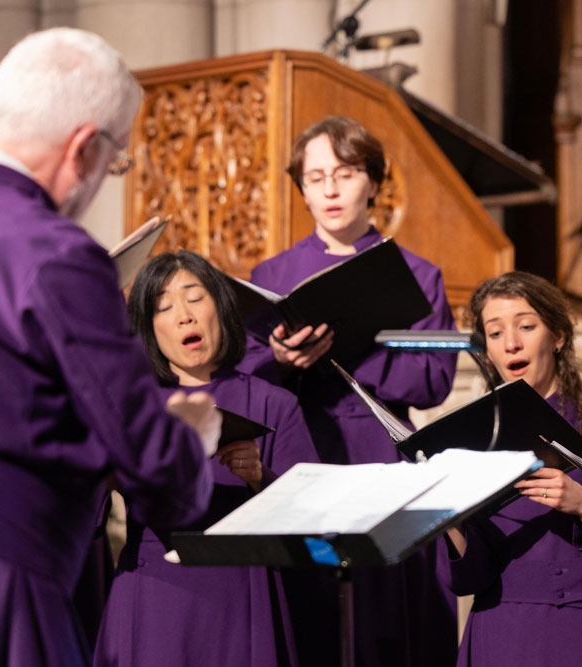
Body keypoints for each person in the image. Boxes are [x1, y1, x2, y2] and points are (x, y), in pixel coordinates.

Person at [0, 28, 221, 667]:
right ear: (84, 149)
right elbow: (156, 474)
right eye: (116, 162)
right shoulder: (53, 253)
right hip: (3, 602)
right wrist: (191, 438)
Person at [237, 115, 459, 666]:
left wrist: (351, 350)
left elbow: (434, 380)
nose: (331, 189)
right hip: (300, 455)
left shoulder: (417, 273)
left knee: (387, 621)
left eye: (345, 172)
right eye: (315, 177)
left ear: (374, 183)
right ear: (302, 190)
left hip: (383, 456)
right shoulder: (273, 272)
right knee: (311, 616)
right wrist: (283, 361)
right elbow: (242, 378)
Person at [94, 250, 320, 667]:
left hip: (242, 593)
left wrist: (260, 478)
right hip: (153, 589)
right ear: (151, 329)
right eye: (163, 306)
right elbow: (85, 509)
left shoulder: (275, 403)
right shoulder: (132, 404)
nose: (183, 315)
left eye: (194, 298)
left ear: (221, 306)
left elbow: (315, 530)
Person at [442, 271, 582, 667]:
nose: (511, 343)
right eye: (494, 333)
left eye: (526, 326)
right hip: (496, 634)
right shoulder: (468, 439)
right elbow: (466, 580)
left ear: (558, 336)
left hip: (580, 632)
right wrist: (449, 521)